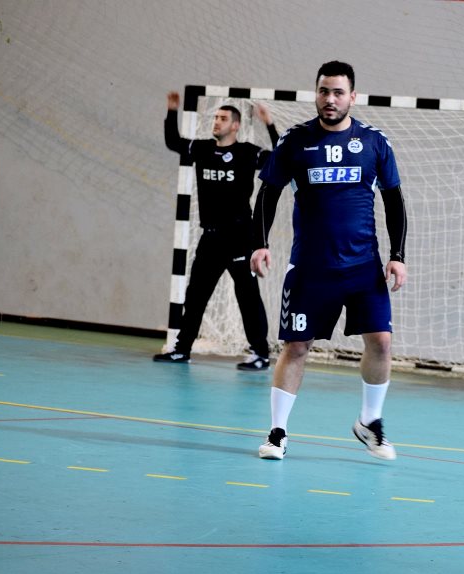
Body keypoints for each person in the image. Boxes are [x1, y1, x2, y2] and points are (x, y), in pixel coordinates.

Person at [249, 60, 408, 462]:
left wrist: (398, 256)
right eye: (323, 91)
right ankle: (278, 433)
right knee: (297, 346)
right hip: (311, 268)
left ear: (352, 97)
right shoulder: (295, 141)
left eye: (338, 92)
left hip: (362, 267)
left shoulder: (374, 144)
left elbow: (394, 201)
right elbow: (268, 193)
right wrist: (261, 243)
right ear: (315, 94)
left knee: (382, 343)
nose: (330, 99)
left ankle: (370, 423)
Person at [154, 91, 278, 371]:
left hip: (239, 238)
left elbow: (281, 157)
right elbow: (173, 142)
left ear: (235, 125)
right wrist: (172, 110)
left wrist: (269, 124)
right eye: (216, 117)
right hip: (211, 238)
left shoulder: (248, 153)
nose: (217, 122)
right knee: (196, 294)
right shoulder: (202, 149)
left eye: (223, 118)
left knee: (247, 295)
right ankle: (182, 349)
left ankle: (260, 353)